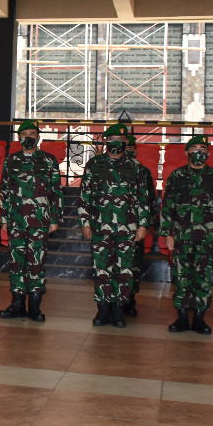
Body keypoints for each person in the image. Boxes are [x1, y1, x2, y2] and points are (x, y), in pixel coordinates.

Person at [77, 123, 150, 328]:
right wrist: (85, 222)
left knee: (124, 270)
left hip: (127, 228)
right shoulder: (94, 164)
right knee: (101, 270)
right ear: (105, 142)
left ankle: (118, 310)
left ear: (126, 142)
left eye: (120, 140)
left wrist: (143, 224)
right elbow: (85, 196)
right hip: (100, 227)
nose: (116, 144)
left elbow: (143, 198)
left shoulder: (136, 167)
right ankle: (102, 310)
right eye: (112, 140)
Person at [160, 135, 213, 335]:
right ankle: (182, 316)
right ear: (186, 153)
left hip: (207, 237)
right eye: (194, 148)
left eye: (203, 148)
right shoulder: (177, 176)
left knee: (204, 277)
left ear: (208, 152)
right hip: (182, 236)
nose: (199, 152)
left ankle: (200, 317)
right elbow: (168, 206)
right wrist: (167, 233)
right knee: (182, 276)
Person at [0, 120, 61, 322]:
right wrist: (4, 218)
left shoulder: (49, 160)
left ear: (38, 136)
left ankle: (34, 306)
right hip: (16, 220)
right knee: (17, 263)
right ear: (19, 138)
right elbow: (4, 192)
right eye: (24, 134)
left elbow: (56, 191)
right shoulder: (11, 161)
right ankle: (17, 304)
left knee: (36, 263)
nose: (28, 137)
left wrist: (55, 218)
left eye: (32, 133)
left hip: (40, 221)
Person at [123, 135, 157, 317]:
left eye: (131, 147)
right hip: (113, 228)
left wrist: (146, 223)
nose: (128, 150)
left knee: (133, 266)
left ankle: (130, 299)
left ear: (136, 150)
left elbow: (150, 199)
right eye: (125, 146)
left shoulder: (143, 171)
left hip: (135, 227)